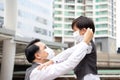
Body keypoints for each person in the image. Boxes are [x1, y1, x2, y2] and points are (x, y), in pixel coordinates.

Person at [39, 16, 100, 80]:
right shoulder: (84, 44)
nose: (74, 34)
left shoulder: (88, 44)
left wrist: (52, 61)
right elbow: (69, 52)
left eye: (75, 31)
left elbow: (69, 52)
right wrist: (52, 61)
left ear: (83, 31)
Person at [24, 28, 93, 80]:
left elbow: (67, 53)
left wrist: (85, 43)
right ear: (38, 56)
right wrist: (85, 42)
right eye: (45, 48)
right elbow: (68, 64)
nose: (48, 49)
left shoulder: (43, 67)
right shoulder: (38, 70)